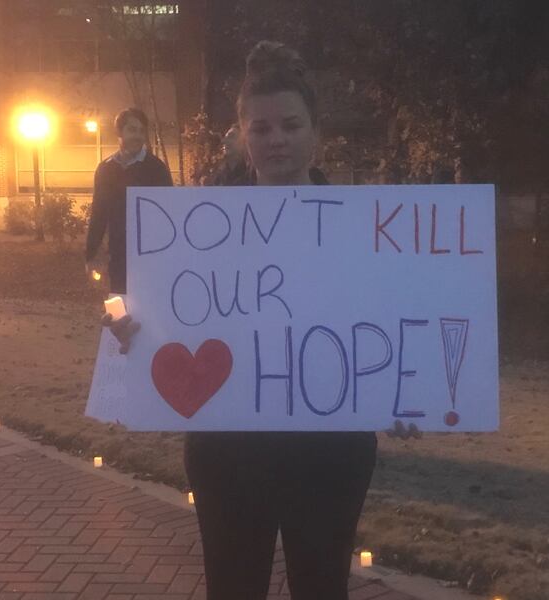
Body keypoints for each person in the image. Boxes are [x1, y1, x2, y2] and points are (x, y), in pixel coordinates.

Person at [102, 41, 420, 599]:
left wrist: (403, 392)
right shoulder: (195, 228)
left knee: (322, 588)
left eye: (291, 125)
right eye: (262, 127)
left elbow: (391, 328)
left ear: (316, 131)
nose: (276, 140)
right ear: (242, 133)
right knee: (233, 586)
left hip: (329, 449)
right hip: (229, 450)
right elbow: (164, 319)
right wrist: (132, 331)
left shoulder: (365, 230)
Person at [85, 107, 173, 294]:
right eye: (132, 130)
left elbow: (168, 214)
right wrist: (91, 254)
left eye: (142, 131)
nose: (138, 136)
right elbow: (99, 213)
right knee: (121, 308)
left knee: (150, 311)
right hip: (119, 255)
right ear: (119, 133)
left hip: (151, 256)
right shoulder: (105, 169)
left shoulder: (156, 169)